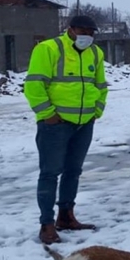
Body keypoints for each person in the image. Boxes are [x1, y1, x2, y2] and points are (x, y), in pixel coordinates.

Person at [24, 15, 108, 244]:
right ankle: (47, 224)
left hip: (84, 123)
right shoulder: (48, 49)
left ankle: (66, 216)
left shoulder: (96, 54)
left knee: (73, 171)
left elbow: (101, 86)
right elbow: (33, 84)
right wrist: (47, 114)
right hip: (55, 125)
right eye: (83, 31)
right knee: (50, 173)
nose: (87, 36)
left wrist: (96, 111)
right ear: (69, 29)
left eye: (91, 33)